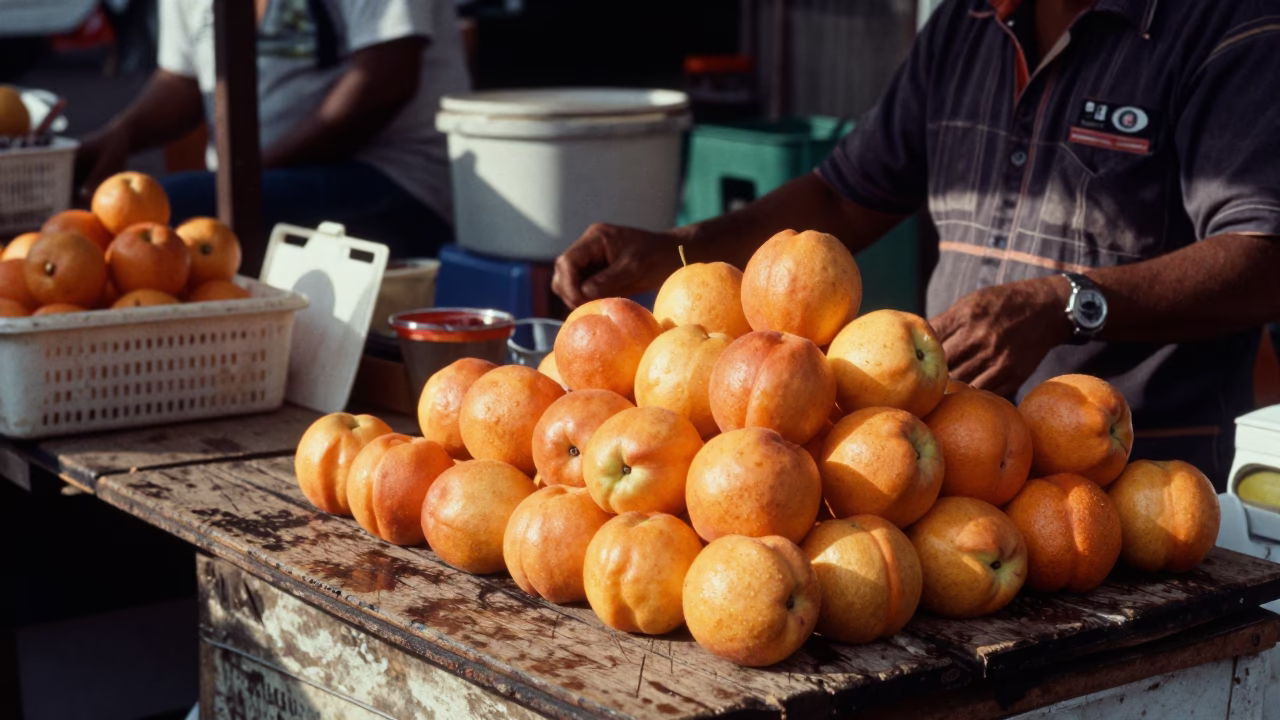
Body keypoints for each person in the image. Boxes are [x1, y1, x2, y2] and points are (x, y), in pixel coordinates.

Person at [551, 0, 1280, 490]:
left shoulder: (1229, 30)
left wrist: (1070, 303)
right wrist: (677, 247)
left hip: (1142, 483)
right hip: (955, 477)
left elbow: (1262, 257)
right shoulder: (966, 29)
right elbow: (845, 196)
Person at [76, 0, 470, 260]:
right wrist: (120, 134)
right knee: (90, 221)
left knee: (155, 229)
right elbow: (184, 80)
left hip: (395, 180)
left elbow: (387, 77)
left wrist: (249, 173)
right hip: (255, 177)